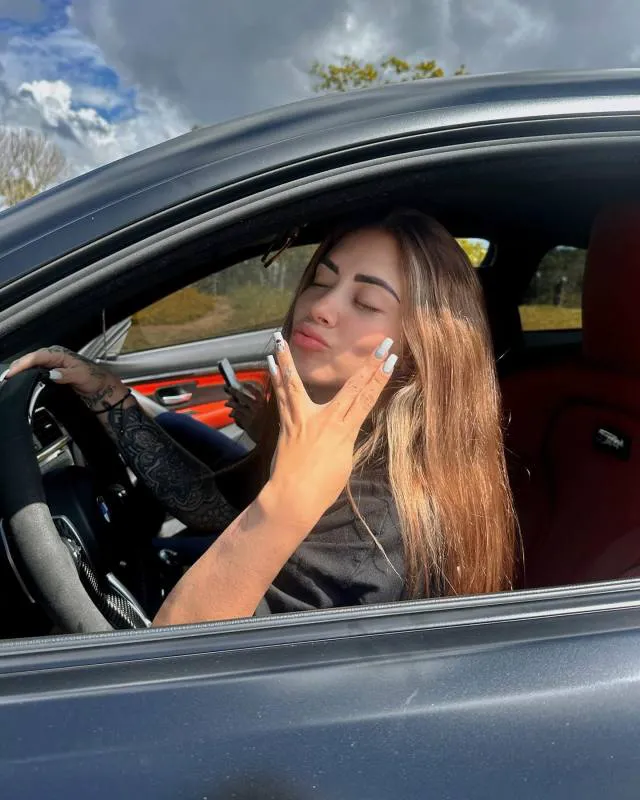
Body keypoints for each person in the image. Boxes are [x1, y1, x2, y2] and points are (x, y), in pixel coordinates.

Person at [6, 208, 516, 625]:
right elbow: (211, 507)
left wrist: (285, 505)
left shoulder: (374, 520)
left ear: (420, 350)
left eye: (365, 302)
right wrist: (107, 394)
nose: (320, 306)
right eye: (321, 280)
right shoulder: (329, 437)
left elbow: (174, 673)